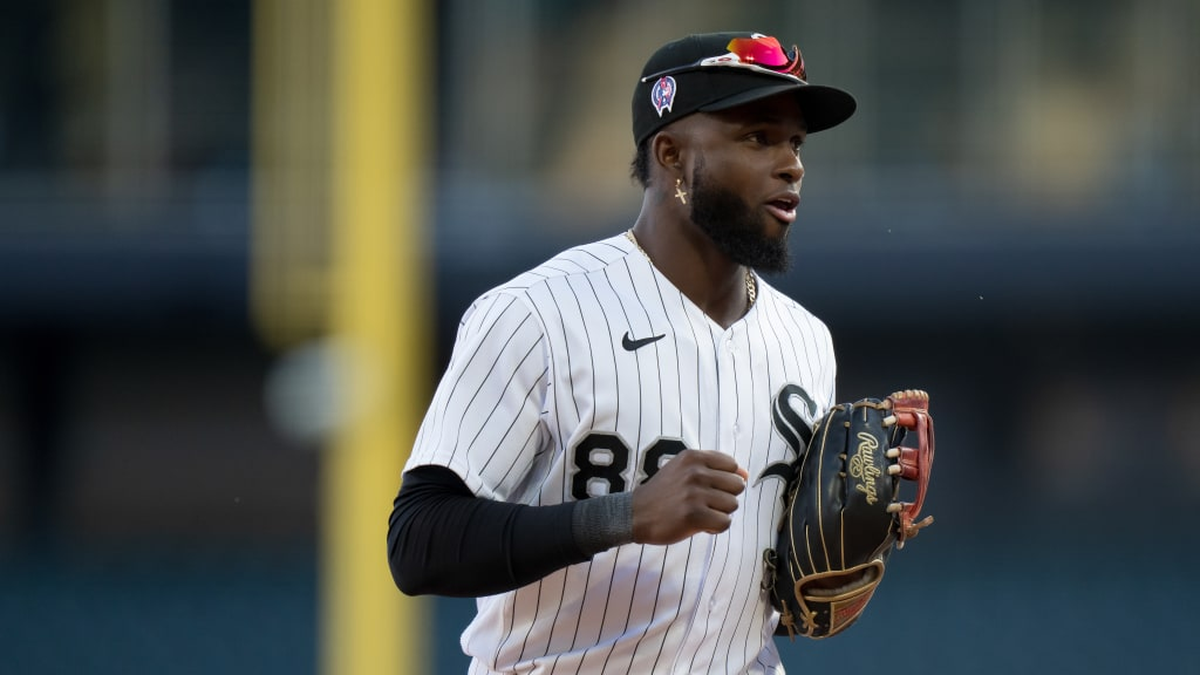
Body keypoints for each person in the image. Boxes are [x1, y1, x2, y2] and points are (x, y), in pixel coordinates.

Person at [387, 31, 857, 674]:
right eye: (757, 137)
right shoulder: (539, 314)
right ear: (671, 155)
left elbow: (765, 584)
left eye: (795, 143)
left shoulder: (805, 342)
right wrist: (623, 515)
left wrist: (839, 555)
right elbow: (418, 543)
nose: (791, 165)